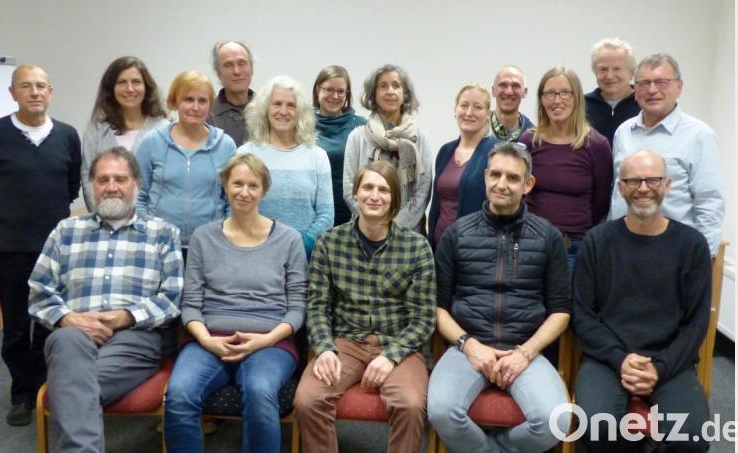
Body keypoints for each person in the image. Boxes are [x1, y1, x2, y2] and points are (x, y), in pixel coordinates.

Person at [28, 147, 183, 452]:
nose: (111, 186)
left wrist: (124, 316)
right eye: (103, 179)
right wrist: (69, 318)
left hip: (134, 339)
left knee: (70, 387)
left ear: (137, 184)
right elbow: (39, 291)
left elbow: (173, 298)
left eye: (120, 178)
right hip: (72, 335)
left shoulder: (163, 233)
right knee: (67, 345)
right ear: (92, 186)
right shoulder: (66, 231)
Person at [428, 142, 571, 453]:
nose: (502, 184)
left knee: (554, 422)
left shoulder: (549, 237)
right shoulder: (456, 234)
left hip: (524, 349)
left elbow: (560, 311)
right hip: (468, 347)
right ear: (485, 178)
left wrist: (526, 352)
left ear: (528, 184)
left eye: (512, 177)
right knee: (440, 411)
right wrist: (470, 345)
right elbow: (438, 308)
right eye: (495, 175)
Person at [164, 154, 307, 453]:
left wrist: (266, 339)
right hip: (209, 340)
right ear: (225, 186)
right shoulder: (203, 238)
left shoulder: (289, 240)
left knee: (259, 390)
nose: (244, 191)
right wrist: (205, 340)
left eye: (252, 185)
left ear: (264, 190)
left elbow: (297, 307)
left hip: (270, 342)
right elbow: (190, 303)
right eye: (237, 183)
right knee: (179, 393)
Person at [573, 149, 711, 452]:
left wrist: (658, 368)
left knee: (691, 437)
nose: (644, 188)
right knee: (598, 428)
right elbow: (583, 316)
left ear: (667, 185)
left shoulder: (692, 246)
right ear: (621, 188)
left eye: (652, 180)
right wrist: (620, 359)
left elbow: (696, 324)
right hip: (607, 360)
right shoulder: (597, 242)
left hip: (671, 361)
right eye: (633, 181)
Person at [294, 161, 436, 453]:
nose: (375, 195)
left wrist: (391, 356)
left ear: (394, 200)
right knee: (308, 400)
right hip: (346, 343)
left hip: (399, 344)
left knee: (409, 405)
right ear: (355, 194)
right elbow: (317, 307)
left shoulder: (417, 247)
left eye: (383, 190)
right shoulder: (329, 243)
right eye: (367, 187)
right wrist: (324, 348)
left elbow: (422, 319)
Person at [0, 64, 81, 426]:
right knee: (17, 325)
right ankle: (21, 393)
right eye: (26, 86)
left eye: (40, 86)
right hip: (10, 247)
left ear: (50, 92)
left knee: (51, 321)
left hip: (56, 249)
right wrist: (5, 218)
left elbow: (71, 186)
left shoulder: (67, 135)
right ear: (13, 93)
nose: (34, 92)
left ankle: (46, 387)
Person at [610, 53, 724, 255]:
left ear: (679, 86)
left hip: (674, 254)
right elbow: (617, 193)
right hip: (621, 248)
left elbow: (709, 203)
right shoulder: (623, 132)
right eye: (644, 83)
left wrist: (703, 257)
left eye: (662, 82)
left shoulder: (699, 135)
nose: (652, 90)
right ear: (635, 90)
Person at [135, 70, 237, 257]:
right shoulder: (152, 142)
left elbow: (232, 200)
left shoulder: (226, 145)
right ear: (175, 102)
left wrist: (224, 235)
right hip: (158, 245)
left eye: (202, 101)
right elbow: (138, 196)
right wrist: (147, 231)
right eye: (188, 99)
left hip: (210, 246)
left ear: (210, 104)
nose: (195, 107)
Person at [519, 67, 613, 268]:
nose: (557, 100)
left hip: (575, 247)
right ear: (541, 99)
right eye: (549, 93)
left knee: (567, 300)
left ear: (577, 97)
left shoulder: (597, 145)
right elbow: (519, 193)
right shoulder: (529, 141)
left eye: (565, 92)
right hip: (531, 242)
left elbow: (601, 201)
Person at [238, 75, 334, 257]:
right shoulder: (246, 153)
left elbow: (326, 215)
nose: (283, 111)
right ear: (265, 109)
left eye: (291, 105)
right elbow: (232, 209)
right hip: (253, 256)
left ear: (300, 112)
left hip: (303, 258)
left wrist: (299, 247)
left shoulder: (317, 156)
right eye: (277, 104)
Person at [342, 64, 432, 233]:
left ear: (405, 94)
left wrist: (394, 229)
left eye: (396, 86)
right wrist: (374, 225)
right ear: (373, 95)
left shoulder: (420, 139)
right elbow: (349, 189)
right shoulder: (357, 137)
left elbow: (422, 192)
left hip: (409, 234)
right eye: (383, 86)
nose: (390, 91)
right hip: (365, 233)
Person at [81, 56, 169, 211]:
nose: (130, 89)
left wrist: (148, 223)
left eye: (136, 82)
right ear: (111, 89)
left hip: (151, 224)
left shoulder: (164, 129)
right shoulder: (96, 130)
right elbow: (88, 177)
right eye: (122, 82)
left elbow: (166, 181)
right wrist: (101, 216)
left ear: (146, 87)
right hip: (106, 221)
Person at [429, 83, 501, 249]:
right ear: (455, 110)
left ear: (488, 114)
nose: (469, 113)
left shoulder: (497, 151)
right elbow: (437, 205)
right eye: (464, 105)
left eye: (477, 107)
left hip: (475, 252)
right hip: (439, 249)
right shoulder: (446, 151)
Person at [313, 65, 367, 225]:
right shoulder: (302, 124)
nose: (335, 96)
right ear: (317, 90)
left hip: (352, 215)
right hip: (313, 216)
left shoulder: (360, 126)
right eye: (329, 90)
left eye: (341, 91)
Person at [584, 38, 640, 148]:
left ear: (632, 73)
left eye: (617, 69)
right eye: (603, 69)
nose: (609, 76)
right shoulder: (580, 106)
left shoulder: (644, 105)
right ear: (595, 72)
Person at [208, 40, 254, 146]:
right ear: (218, 73)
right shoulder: (207, 116)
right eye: (228, 65)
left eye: (241, 63)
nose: (236, 71)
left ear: (251, 69)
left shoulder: (268, 110)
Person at [489, 66, 535, 142]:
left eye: (515, 86)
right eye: (503, 85)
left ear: (525, 92)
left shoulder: (534, 138)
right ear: (493, 91)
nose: (509, 92)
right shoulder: (478, 130)